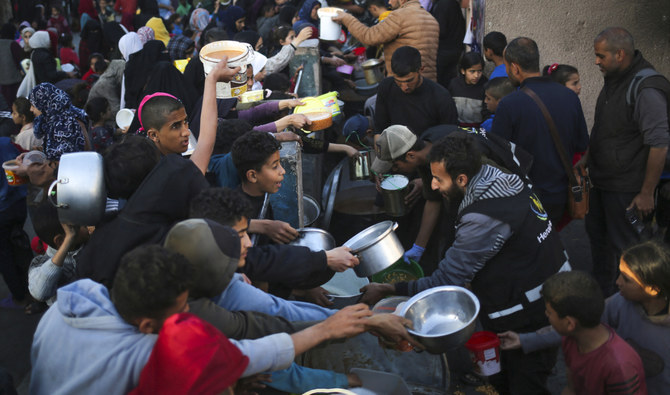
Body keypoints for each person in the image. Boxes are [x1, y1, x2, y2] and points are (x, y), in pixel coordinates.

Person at [361, 133, 571, 395]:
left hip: (530, 308)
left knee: (525, 383)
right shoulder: (502, 178)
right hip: (548, 282)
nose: (434, 186)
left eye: (438, 179)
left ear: (462, 179)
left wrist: (389, 289)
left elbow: (445, 281)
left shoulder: (483, 218)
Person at [32, 244, 378, 394]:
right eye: (182, 308)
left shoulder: (68, 305)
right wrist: (325, 329)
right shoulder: (146, 353)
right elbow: (246, 356)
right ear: (148, 326)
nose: (187, 314)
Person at [499, 240, 670, 394]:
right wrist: (526, 340)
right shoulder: (621, 302)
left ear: (652, 289)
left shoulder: (620, 363)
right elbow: (579, 325)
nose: (617, 282)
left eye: (626, 279)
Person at [579, 27, 670, 296]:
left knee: (628, 249)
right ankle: (605, 297)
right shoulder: (616, 79)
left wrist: (645, 193)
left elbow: (659, 143)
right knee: (599, 239)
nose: (596, 61)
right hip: (603, 181)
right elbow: (606, 128)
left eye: (600, 56)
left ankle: (634, 305)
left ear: (620, 54)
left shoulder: (645, 89)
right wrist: (586, 159)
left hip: (627, 188)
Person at [492, 37, 589, 225]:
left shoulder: (509, 105)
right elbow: (581, 144)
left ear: (515, 67)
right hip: (561, 197)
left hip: (524, 198)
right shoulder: (570, 97)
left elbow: (498, 158)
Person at [541, 271, 647, 395]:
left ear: (570, 323)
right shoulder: (570, 340)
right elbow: (571, 389)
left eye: (549, 312)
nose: (546, 314)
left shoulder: (619, 366)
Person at [332, 0, 440, 81]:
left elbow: (369, 37)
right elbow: (414, 46)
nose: (388, 2)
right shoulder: (430, 18)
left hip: (404, 82)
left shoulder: (400, 15)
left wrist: (347, 18)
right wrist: (384, 58)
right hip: (428, 82)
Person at [231, 130, 299, 244]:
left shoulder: (262, 193)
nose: (282, 171)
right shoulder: (237, 211)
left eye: (280, 164)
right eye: (274, 166)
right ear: (252, 176)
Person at [373, 46, 458, 138]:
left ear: (421, 70)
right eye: (399, 81)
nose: (404, 87)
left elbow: (450, 136)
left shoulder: (441, 96)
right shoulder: (386, 87)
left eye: (409, 80)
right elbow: (379, 129)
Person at [27, 199, 89, 307]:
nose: (87, 225)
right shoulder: (40, 262)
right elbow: (39, 293)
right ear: (61, 241)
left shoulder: (88, 243)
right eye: (79, 225)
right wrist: (68, 241)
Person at [29, 82, 90, 163]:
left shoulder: (66, 123)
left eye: (33, 105)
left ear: (44, 103)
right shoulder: (54, 120)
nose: (31, 109)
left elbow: (66, 160)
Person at [430, 0, 466, 88]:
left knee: (441, 84)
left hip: (445, 52)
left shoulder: (443, 4)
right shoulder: (451, 3)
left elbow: (441, 29)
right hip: (454, 50)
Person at [448, 52, 488, 128]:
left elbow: (487, 112)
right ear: (463, 71)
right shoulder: (454, 84)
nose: (476, 75)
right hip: (457, 127)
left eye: (479, 71)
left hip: (477, 128)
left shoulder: (485, 86)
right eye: (472, 71)